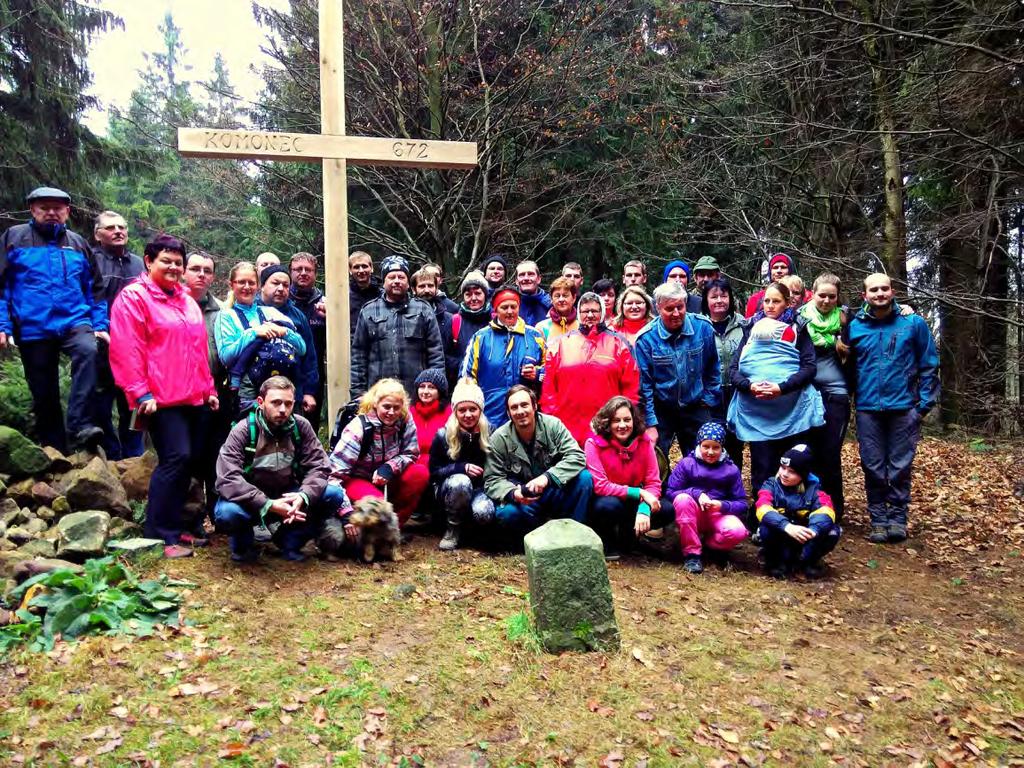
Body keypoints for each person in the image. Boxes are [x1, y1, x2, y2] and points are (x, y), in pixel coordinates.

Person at [109, 234, 218, 558]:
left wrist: (208, 389)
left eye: (177, 262)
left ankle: (177, 528)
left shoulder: (185, 300)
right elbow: (127, 349)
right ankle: (158, 535)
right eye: (165, 261)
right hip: (159, 398)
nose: (173, 267)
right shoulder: (134, 298)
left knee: (187, 462)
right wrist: (139, 392)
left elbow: (199, 351)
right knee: (175, 459)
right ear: (148, 261)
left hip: (192, 396)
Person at [0, 186, 107, 453]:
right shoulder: (14, 238)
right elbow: (2, 285)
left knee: (88, 351)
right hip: (32, 325)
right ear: (32, 210)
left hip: (74, 320)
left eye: (57, 208)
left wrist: (101, 325)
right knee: (44, 392)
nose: (51, 213)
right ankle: (55, 452)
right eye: (44, 208)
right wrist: (2, 324)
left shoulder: (78, 243)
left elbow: (95, 289)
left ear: (67, 212)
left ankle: (80, 424)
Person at [214, 376, 348, 562]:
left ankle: (289, 541)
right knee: (228, 513)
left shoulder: (301, 427)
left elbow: (320, 466)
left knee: (333, 494)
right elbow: (228, 479)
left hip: (288, 495)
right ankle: (243, 546)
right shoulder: (243, 431)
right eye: (276, 403)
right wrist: (267, 504)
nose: (283, 409)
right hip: (252, 500)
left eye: (288, 403)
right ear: (260, 402)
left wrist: (304, 495)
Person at [848, 273, 939, 543]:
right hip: (867, 408)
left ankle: (897, 518)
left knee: (900, 466)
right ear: (864, 295)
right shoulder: (855, 326)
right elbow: (847, 365)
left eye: (884, 289)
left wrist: (923, 405)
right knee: (873, 465)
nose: (879, 294)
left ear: (892, 291)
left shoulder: (913, 323)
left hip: (904, 407)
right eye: (873, 290)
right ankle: (878, 520)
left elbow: (929, 364)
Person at [728, 281, 824, 500]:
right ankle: (762, 516)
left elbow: (809, 367)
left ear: (788, 303)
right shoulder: (751, 327)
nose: (770, 306)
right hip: (757, 412)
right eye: (766, 301)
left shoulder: (798, 327)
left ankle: (793, 512)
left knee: (792, 465)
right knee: (762, 465)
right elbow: (734, 370)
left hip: (791, 411)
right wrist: (749, 386)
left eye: (776, 301)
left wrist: (782, 388)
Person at [483, 385, 593, 542]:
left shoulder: (553, 425)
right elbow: (492, 480)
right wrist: (514, 494)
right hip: (524, 499)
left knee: (584, 478)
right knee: (505, 514)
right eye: (514, 407)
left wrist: (547, 478)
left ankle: (575, 537)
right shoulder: (499, 438)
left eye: (524, 405)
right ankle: (533, 542)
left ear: (534, 406)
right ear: (508, 413)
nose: (520, 411)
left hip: (554, 490)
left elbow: (577, 456)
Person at [633, 282, 721, 456]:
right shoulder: (646, 338)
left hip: (696, 405)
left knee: (702, 459)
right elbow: (645, 386)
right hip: (662, 409)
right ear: (658, 308)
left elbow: (713, 368)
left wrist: (709, 398)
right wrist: (650, 423)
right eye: (669, 309)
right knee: (657, 460)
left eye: (680, 307)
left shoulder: (702, 327)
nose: (676, 314)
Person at [327, 377, 430, 525]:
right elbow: (335, 475)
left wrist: (390, 466)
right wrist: (345, 512)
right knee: (378, 506)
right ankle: (370, 529)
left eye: (396, 407)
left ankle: (394, 527)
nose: (391, 412)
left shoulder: (405, 420)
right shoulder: (358, 428)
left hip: (388, 477)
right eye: (386, 407)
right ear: (376, 404)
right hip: (357, 479)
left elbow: (411, 453)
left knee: (419, 473)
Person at [541, 292, 640, 445]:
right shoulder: (560, 344)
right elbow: (549, 390)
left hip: (608, 429)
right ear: (579, 314)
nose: (590, 315)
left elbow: (631, 388)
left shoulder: (619, 343)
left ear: (602, 313)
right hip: (567, 430)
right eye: (585, 311)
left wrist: (626, 420)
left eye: (594, 311)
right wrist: (552, 421)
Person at [215, 262, 307, 417]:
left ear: (258, 286)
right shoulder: (226, 316)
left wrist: (284, 332)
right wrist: (254, 333)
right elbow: (226, 357)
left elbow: (302, 348)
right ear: (231, 284)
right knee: (252, 436)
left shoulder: (271, 312)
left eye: (251, 283)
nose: (246, 287)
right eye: (241, 282)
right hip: (247, 393)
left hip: (279, 390)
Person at [351, 254, 444, 399]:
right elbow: (358, 356)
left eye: (401, 277)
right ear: (383, 281)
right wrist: (358, 395)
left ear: (408, 283)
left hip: (416, 395)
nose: (396, 281)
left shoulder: (423, 310)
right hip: (378, 397)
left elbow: (436, 353)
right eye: (391, 277)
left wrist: (438, 389)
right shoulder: (368, 310)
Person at [584, 396, 666, 560]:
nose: (622, 425)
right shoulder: (593, 444)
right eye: (616, 421)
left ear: (634, 421)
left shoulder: (644, 442)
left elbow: (653, 482)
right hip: (605, 499)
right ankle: (607, 540)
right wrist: (641, 493)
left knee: (667, 510)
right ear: (607, 422)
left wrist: (644, 509)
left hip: (632, 501)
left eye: (627, 420)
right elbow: (601, 486)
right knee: (608, 506)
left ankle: (630, 538)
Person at [92, 210, 145, 460]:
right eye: (110, 227)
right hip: (100, 347)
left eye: (122, 227)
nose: (118, 231)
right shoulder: (90, 260)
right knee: (101, 406)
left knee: (133, 406)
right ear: (97, 234)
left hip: (135, 349)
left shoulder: (138, 264)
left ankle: (134, 459)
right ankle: (111, 457)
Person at [664, 422, 748, 574]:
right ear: (699, 444)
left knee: (738, 531)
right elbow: (671, 492)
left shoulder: (731, 469)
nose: (710, 452)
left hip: (717, 514)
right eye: (706, 446)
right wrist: (696, 494)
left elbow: (742, 503)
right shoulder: (687, 464)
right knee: (682, 499)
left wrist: (722, 505)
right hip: (692, 512)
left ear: (722, 447)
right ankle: (692, 553)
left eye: (716, 447)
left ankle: (712, 546)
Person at [799, 273, 850, 522]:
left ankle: (834, 509)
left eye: (832, 296)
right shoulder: (800, 318)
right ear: (813, 293)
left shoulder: (845, 319)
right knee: (808, 450)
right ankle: (808, 503)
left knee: (830, 453)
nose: (827, 300)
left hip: (836, 394)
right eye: (822, 295)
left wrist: (905, 308)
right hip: (807, 393)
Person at [460, 286, 546, 428]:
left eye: (514, 306)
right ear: (495, 310)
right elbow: (467, 378)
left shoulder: (534, 336)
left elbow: (551, 372)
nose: (510, 311)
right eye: (504, 307)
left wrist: (537, 374)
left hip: (526, 414)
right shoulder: (481, 337)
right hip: (491, 415)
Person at [184, 251, 228, 522]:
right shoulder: (172, 304)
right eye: (195, 268)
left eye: (207, 270)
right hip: (180, 393)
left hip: (216, 390)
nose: (201, 274)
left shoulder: (222, 310)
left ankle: (216, 511)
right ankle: (189, 516)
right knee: (188, 455)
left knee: (215, 452)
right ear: (184, 271)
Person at [755, 444, 841, 579]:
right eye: (782, 468)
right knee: (766, 527)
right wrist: (786, 526)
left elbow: (826, 511)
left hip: (803, 536)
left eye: (792, 471)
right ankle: (774, 561)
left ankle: (807, 562)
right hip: (781, 533)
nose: (784, 474)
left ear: (803, 474)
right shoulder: (770, 485)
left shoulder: (814, 489)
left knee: (833, 531)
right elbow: (762, 508)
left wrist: (814, 530)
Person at [428, 378, 495, 551]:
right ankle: (452, 529)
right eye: (462, 410)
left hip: (480, 489)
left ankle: (473, 532)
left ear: (480, 410)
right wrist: (460, 468)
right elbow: (434, 472)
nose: (468, 415)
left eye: (473, 409)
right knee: (461, 481)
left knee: (484, 512)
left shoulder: (492, 432)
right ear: (455, 411)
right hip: (449, 490)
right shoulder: (443, 435)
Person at [255, 265, 319, 418]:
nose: (280, 288)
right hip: (255, 391)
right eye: (275, 283)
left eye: (285, 285)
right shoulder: (251, 310)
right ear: (262, 286)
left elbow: (309, 357)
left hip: (292, 393)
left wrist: (309, 392)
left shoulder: (297, 316)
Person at [701, 278, 746, 469]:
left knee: (736, 442)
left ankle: (733, 485)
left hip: (737, 392)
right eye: (714, 297)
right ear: (706, 300)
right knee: (713, 441)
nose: (719, 300)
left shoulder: (743, 324)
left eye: (724, 296)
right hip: (711, 392)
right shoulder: (698, 325)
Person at [405, 368, 451, 530]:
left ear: (440, 391)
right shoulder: (408, 412)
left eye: (431, 387)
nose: (425, 391)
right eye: (422, 386)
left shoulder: (449, 412)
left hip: (439, 464)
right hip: (413, 463)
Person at [289, 252, 327, 430]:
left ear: (315, 274)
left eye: (308, 270)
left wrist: (331, 319)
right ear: (290, 272)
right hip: (285, 372)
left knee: (309, 427)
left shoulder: (326, 302)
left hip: (315, 374)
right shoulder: (281, 300)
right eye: (298, 269)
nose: (303, 273)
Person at [450, 271, 492, 381]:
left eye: (478, 293)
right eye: (468, 294)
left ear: (485, 295)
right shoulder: (455, 321)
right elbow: (445, 356)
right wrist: (467, 364)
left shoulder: (495, 320)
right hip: (463, 383)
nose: (473, 298)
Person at [744, 252, 812, 318]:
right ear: (770, 272)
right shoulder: (756, 299)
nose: (779, 271)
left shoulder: (807, 296)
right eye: (775, 268)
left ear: (790, 270)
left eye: (783, 267)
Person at [348, 250, 382, 338]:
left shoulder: (383, 295)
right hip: (352, 345)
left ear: (372, 268)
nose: (361, 270)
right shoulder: (344, 297)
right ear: (350, 270)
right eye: (356, 267)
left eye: (364, 266)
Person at [535, 276, 579, 342]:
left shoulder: (581, 326)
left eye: (565, 295)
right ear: (551, 299)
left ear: (574, 298)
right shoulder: (542, 327)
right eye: (557, 296)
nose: (561, 299)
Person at [515, 260, 551, 327]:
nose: (526, 278)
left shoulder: (550, 303)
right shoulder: (509, 302)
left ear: (539, 279)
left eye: (531, 274)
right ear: (516, 281)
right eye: (522, 275)